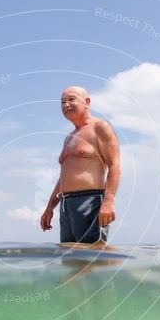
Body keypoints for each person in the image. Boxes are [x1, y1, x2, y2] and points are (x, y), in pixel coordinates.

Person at [39, 86, 121, 245]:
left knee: (91, 257)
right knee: (71, 260)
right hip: (66, 204)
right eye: (62, 102)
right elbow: (63, 178)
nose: (66, 104)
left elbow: (114, 164)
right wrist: (50, 207)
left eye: (71, 99)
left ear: (87, 102)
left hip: (90, 201)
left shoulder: (100, 127)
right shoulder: (69, 137)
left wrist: (109, 201)